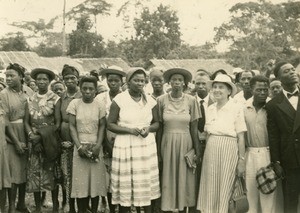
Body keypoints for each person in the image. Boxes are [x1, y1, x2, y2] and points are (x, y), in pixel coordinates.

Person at [108, 67, 160, 213]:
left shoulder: (150, 100)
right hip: (125, 145)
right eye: (136, 80)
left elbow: (157, 123)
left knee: (143, 183)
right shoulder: (119, 100)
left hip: (145, 146)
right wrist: (129, 130)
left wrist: (148, 129)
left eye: (142, 81)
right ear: (128, 82)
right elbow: (110, 124)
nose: (139, 83)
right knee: (127, 184)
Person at [197, 74, 247, 213]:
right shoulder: (210, 108)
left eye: (221, 87)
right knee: (211, 186)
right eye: (215, 87)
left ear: (229, 91)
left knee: (226, 186)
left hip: (229, 150)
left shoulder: (236, 108)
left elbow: (241, 137)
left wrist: (241, 161)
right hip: (211, 150)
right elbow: (207, 133)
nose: (217, 90)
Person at [157, 68, 200, 212]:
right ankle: (168, 209)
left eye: (180, 80)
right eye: (174, 79)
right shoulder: (161, 100)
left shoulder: (192, 101)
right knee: (167, 178)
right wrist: (158, 151)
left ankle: (182, 209)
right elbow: (159, 127)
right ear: (169, 82)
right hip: (167, 142)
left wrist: (197, 151)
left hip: (185, 143)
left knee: (184, 179)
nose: (177, 82)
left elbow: (194, 128)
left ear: (184, 83)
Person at [67, 76, 107, 213]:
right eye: (84, 88)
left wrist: (98, 146)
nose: (87, 91)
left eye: (91, 89)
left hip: (96, 146)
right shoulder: (74, 104)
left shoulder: (100, 105)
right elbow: (71, 126)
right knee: (81, 183)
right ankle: (82, 210)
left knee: (95, 182)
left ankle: (94, 210)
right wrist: (78, 146)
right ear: (80, 88)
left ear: (95, 90)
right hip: (79, 147)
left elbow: (102, 126)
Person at [24, 68, 61, 212]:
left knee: (50, 170)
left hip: (50, 140)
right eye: (38, 79)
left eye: (44, 79)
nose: (41, 82)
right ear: (35, 80)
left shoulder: (55, 99)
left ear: (49, 81)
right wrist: (32, 136)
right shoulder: (30, 99)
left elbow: (57, 123)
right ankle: (38, 206)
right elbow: (27, 121)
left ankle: (56, 205)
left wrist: (41, 136)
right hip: (34, 141)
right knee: (35, 172)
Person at [265, 62, 300, 212]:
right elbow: (273, 136)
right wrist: (276, 162)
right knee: (290, 203)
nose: (292, 72)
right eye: (287, 71)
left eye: (293, 69)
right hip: (290, 159)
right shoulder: (273, 105)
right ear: (279, 78)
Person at [0, 63, 34, 213]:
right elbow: (5, 121)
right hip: (11, 134)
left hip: (27, 132)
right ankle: (12, 206)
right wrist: (16, 142)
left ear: (21, 76)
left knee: (24, 170)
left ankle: (22, 203)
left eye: (12, 75)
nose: (8, 78)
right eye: (7, 75)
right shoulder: (4, 94)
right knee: (13, 171)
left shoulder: (29, 92)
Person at [243, 75, 278, 213]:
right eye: (259, 90)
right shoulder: (243, 108)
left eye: (265, 89)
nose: (263, 93)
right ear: (252, 89)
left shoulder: (273, 107)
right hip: (249, 154)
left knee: (268, 195)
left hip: (268, 154)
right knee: (250, 194)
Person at [98, 65, 126, 213]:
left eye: (116, 80)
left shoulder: (127, 97)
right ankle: (110, 207)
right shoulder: (100, 98)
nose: (113, 83)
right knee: (108, 176)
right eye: (110, 80)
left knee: (122, 174)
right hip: (104, 139)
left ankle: (123, 206)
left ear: (122, 81)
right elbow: (98, 122)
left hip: (122, 139)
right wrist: (105, 142)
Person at [60, 65, 82, 213]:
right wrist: (62, 140)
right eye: (66, 78)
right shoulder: (62, 97)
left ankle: (80, 205)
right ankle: (68, 204)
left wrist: (75, 142)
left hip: (79, 140)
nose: (69, 81)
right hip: (64, 141)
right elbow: (58, 119)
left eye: (72, 78)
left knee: (78, 174)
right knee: (65, 174)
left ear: (78, 79)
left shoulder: (83, 95)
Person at [193, 73, 214, 199]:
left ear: (209, 85)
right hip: (192, 144)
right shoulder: (189, 100)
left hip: (210, 144)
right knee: (194, 179)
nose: (200, 86)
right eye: (198, 83)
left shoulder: (215, 102)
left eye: (204, 84)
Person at [0, 97, 11, 213]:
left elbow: (6, 130)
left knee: (2, 180)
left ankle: (2, 209)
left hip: (1, 149)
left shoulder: (2, 110)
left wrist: (16, 142)